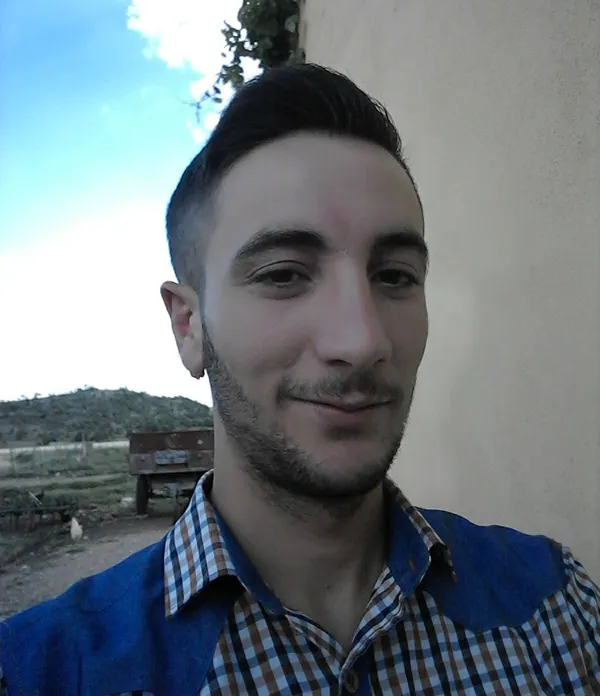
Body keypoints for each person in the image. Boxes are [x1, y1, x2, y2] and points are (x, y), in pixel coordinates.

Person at [0, 64, 598, 694]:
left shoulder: (558, 609)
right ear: (188, 325)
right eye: (283, 274)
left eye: (395, 276)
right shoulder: (43, 673)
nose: (362, 341)